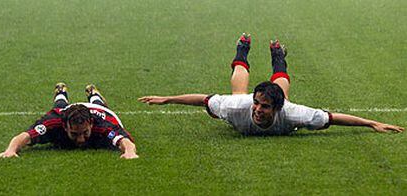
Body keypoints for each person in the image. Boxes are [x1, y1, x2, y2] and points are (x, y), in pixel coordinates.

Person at [138, 33, 404, 135]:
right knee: (238, 92)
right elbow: (203, 99)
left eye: (264, 106)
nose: (257, 109)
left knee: (282, 90)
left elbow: (333, 118)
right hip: (237, 103)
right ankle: (242, 49)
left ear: (277, 109)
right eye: (258, 103)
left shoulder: (291, 112)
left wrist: (371, 123)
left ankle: (278, 57)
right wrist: (168, 98)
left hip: (285, 108)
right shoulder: (237, 107)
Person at [0, 83, 138, 159]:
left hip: (100, 111)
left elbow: (125, 142)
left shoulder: (102, 126)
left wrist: (130, 153)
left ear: (90, 124)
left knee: (99, 105)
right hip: (66, 110)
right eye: (75, 134)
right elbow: (25, 136)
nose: (81, 139)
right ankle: (61, 91)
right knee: (59, 106)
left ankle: (93, 94)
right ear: (65, 127)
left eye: (85, 133)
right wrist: (10, 150)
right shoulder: (54, 122)